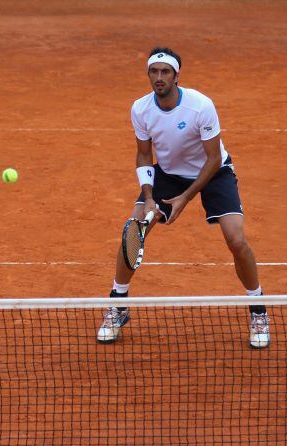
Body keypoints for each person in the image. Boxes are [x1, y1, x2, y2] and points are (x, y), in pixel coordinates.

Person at [96, 47, 270, 349]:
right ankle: (118, 305)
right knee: (133, 230)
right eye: (154, 71)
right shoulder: (140, 108)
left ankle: (258, 311)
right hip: (168, 173)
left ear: (177, 76)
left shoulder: (200, 106)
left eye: (165, 72)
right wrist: (149, 197)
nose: (159, 77)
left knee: (236, 239)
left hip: (213, 172)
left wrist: (185, 198)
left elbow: (213, 158)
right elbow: (143, 154)